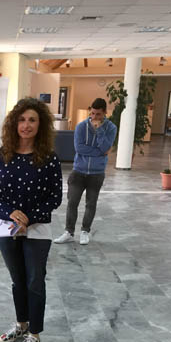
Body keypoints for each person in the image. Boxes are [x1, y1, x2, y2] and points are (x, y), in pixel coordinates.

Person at [0, 98, 62, 342]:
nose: (26, 125)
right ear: (14, 123)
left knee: (34, 281)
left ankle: (35, 334)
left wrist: (30, 217)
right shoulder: (3, 154)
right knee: (17, 280)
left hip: (37, 230)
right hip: (7, 228)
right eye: (21, 120)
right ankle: (21, 324)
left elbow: (55, 197)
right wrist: (10, 212)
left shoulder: (49, 158)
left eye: (32, 120)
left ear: (41, 124)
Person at [54, 97, 117, 246]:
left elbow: (106, 147)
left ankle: (85, 231)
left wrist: (99, 131)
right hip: (79, 171)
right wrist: (100, 152)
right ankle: (69, 232)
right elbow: (79, 148)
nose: (94, 117)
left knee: (91, 204)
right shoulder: (81, 126)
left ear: (105, 113)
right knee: (72, 202)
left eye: (98, 114)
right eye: (92, 113)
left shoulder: (111, 128)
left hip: (97, 173)